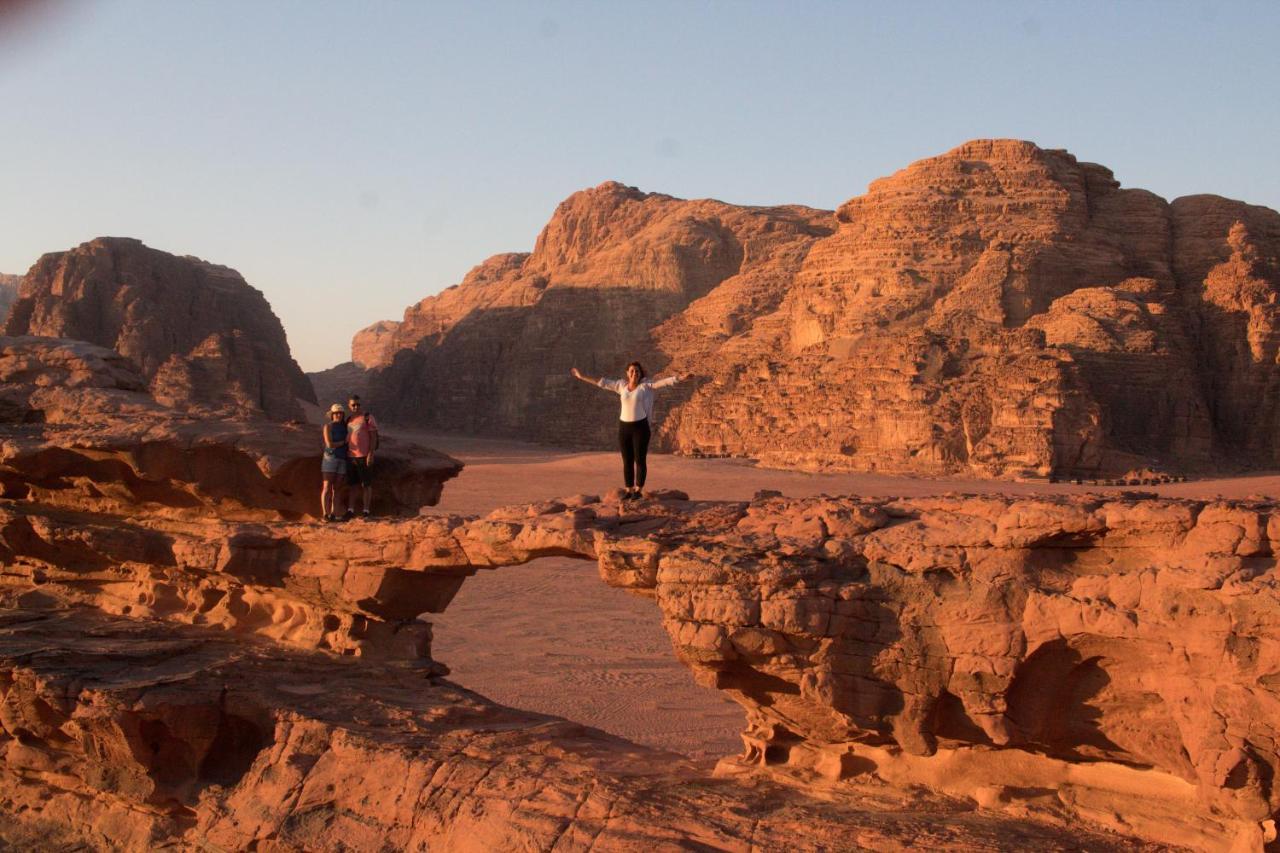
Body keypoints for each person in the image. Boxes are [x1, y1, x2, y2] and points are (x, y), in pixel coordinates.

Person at [571, 362, 684, 500]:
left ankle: (638, 490)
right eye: (632, 371)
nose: (634, 373)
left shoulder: (645, 386)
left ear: (640, 374)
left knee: (640, 460)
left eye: (637, 371)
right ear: (627, 373)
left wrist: (680, 378)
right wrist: (581, 376)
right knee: (627, 460)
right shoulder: (621, 386)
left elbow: (662, 383)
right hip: (624, 428)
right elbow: (601, 382)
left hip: (640, 427)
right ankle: (629, 490)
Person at [345, 394, 379, 519]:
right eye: (353, 405)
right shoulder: (348, 420)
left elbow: (373, 437)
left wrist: (371, 454)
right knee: (352, 485)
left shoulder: (368, 417)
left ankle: (366, 511)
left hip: (364, 456)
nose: (355, 407)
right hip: (351, 456)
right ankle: (350, 510)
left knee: (366, 484)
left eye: (358, 404)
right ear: (349, 405)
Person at [320, 403, 348, 521]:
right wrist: (343, 442)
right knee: (327, 486)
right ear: (332, 414)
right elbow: (329, 444)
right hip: (330, 459)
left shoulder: (346, 427)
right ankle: (325, 514)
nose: (338, 415)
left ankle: (334, 513)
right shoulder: (328, 427)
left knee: (337, 488)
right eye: (336, 413)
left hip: (342, 459)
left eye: (340, 413)